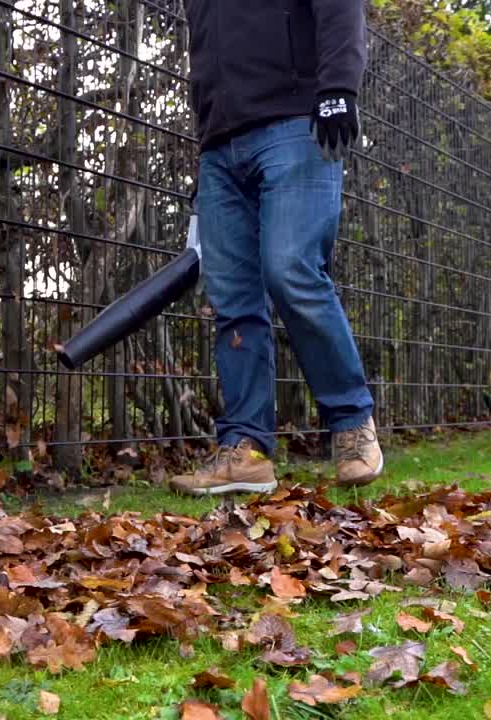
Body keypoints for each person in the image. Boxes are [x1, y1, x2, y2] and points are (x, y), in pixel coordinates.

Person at [170, 0, 383, 495]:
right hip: (220, 145)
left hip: (294, 124)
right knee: (233, 300)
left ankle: (352, 424)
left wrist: (337, 88)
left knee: (291, 271)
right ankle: (247, 449)